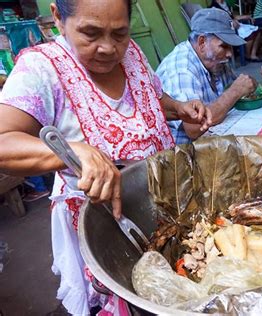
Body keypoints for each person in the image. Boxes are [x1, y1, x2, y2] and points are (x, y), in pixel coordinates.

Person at [0, 0, 211, 314]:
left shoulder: (133, 53)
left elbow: (150, 97)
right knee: (128, 295)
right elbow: (4, 142)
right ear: (58, 17)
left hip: (162, 206)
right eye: (90, 33)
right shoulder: (41, 68)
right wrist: (73, 153)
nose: (108, 48)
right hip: (107, 225)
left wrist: (178, 108)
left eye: (119, 33)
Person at [156, 8, 262, 144]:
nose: (230, 54)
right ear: (202, 42)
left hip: (212, 142)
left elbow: (243, 95)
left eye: (231, 47)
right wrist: (234, 91)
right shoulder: (182, 71)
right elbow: (194, 128)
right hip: (185, 154)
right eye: (224, 46)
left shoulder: (213, 59)